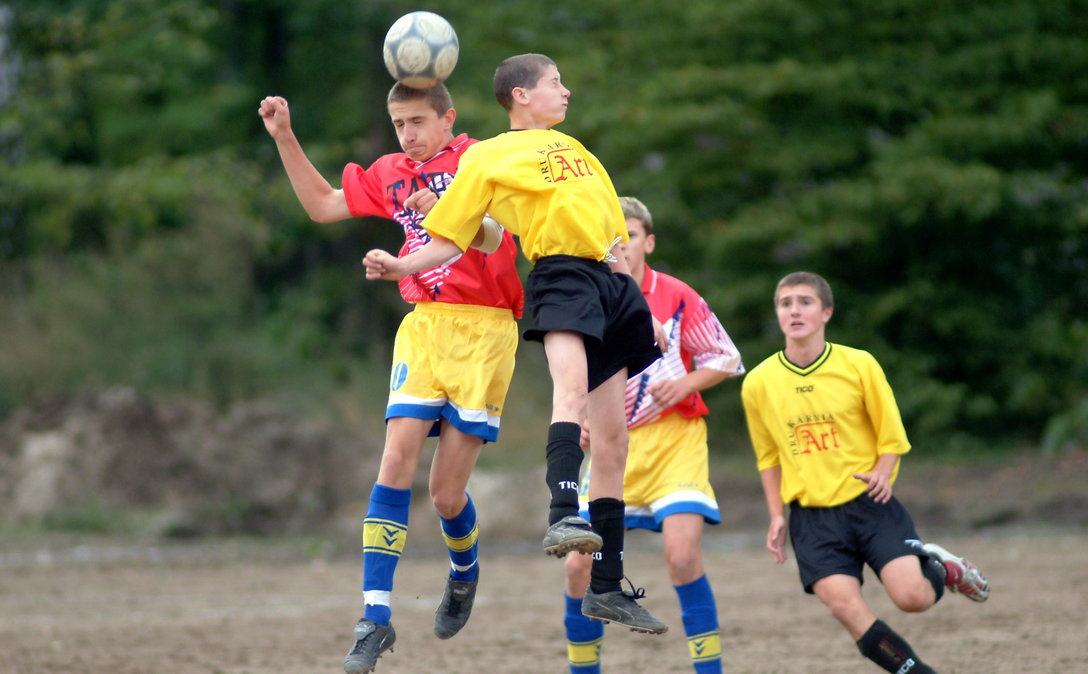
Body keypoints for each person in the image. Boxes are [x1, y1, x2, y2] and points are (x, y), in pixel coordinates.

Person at [361, 53, 670, 635]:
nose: (566, 91)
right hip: (561, 278)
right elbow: (451, 237)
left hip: (609, 286)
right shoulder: (489, 155)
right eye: (556, 82)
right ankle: (560, 515)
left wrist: (640, 306)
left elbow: (613, 242)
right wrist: (399, 262)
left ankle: (607, 587)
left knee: (613, 441)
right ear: (522, 95)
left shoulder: (577, 150)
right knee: (570, 394)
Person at [258, 82, 524, 674]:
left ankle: (464, 570)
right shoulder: (391, 170)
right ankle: (374, 619)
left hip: (485, 333)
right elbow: (325, 204)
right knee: (395, 461)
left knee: (444, 494)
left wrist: (449, 214)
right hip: (424, 327)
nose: (407, 134)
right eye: (399, 122)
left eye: (417, 122)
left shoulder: (478, 161)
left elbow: (500, 237)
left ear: (448, 119)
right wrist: (285, 137)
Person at [740, 271, 990, 674]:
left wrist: (882, 471)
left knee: (912, 598)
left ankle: (943, 569)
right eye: (785, 303)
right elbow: (768, 456)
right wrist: (775, 515)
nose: (794, 310)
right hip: (812, 519)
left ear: (826, 312)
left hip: (869, 503)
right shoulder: (758, 383)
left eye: (805, 301)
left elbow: (893, 436)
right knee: (845, 607)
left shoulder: (859, 364)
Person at [561, 197, 743, 674]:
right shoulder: (588, 298)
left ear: (649, 241)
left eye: (632, 236)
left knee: (681, 556)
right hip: (609, 448)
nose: (623, 245)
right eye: (612, 238)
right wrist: (579, 418)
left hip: (674, 442)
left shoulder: (677, 294)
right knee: (579, 565)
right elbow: (573, 376)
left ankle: (710, 670)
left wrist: (685, 382)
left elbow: (725, 357)